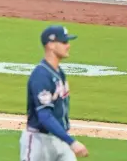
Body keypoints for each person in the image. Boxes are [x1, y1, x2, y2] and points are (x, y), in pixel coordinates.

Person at [19, 25, 88, 161]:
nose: (68, 46)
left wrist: (65, 138)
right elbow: (44, 115)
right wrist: (71, 141)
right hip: (39, 142)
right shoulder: (41, 76)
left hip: (60, 139)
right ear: (50, 45)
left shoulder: (59, 72)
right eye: (64, 42)